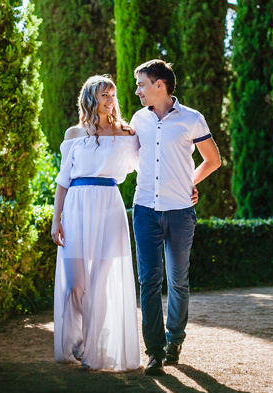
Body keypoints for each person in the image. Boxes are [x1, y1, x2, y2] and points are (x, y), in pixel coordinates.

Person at [131, 59, 222, 376]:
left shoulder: (192, 119)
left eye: (142, 84)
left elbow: (213, 160)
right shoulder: (138, 120)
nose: (138, 91)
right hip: (144, 210)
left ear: (160, 85)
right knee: (149, 281)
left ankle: (174, 342)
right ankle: (154, 352)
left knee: (178, 281)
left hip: (181, 212)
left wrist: (190, 184)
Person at [51, 75, 141, 371]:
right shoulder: (74, 134)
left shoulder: (128, 134)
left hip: (109, 206)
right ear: (90, 99)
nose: (110, 99)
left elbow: (148, 165)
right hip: (76, 207)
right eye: (104, 94)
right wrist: (56, 221)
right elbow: (63, 180)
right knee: (75, 284)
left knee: (101, 282)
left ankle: (95, 348)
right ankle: (76, 343)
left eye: (112, 94)